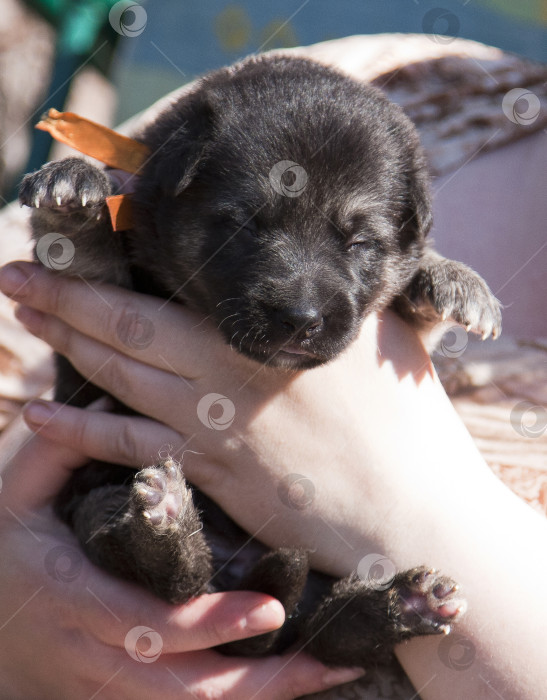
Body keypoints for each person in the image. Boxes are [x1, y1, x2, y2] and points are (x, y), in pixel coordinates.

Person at [1, 94, 546, 700]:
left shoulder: (398, 174)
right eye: (241, 225)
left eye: (357, 243)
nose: (303, 305)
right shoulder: (424, 84)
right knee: (123, 518)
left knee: (333, 625)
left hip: (330, 633)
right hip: (116, 541)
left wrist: (405, 506)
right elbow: (100, 281)